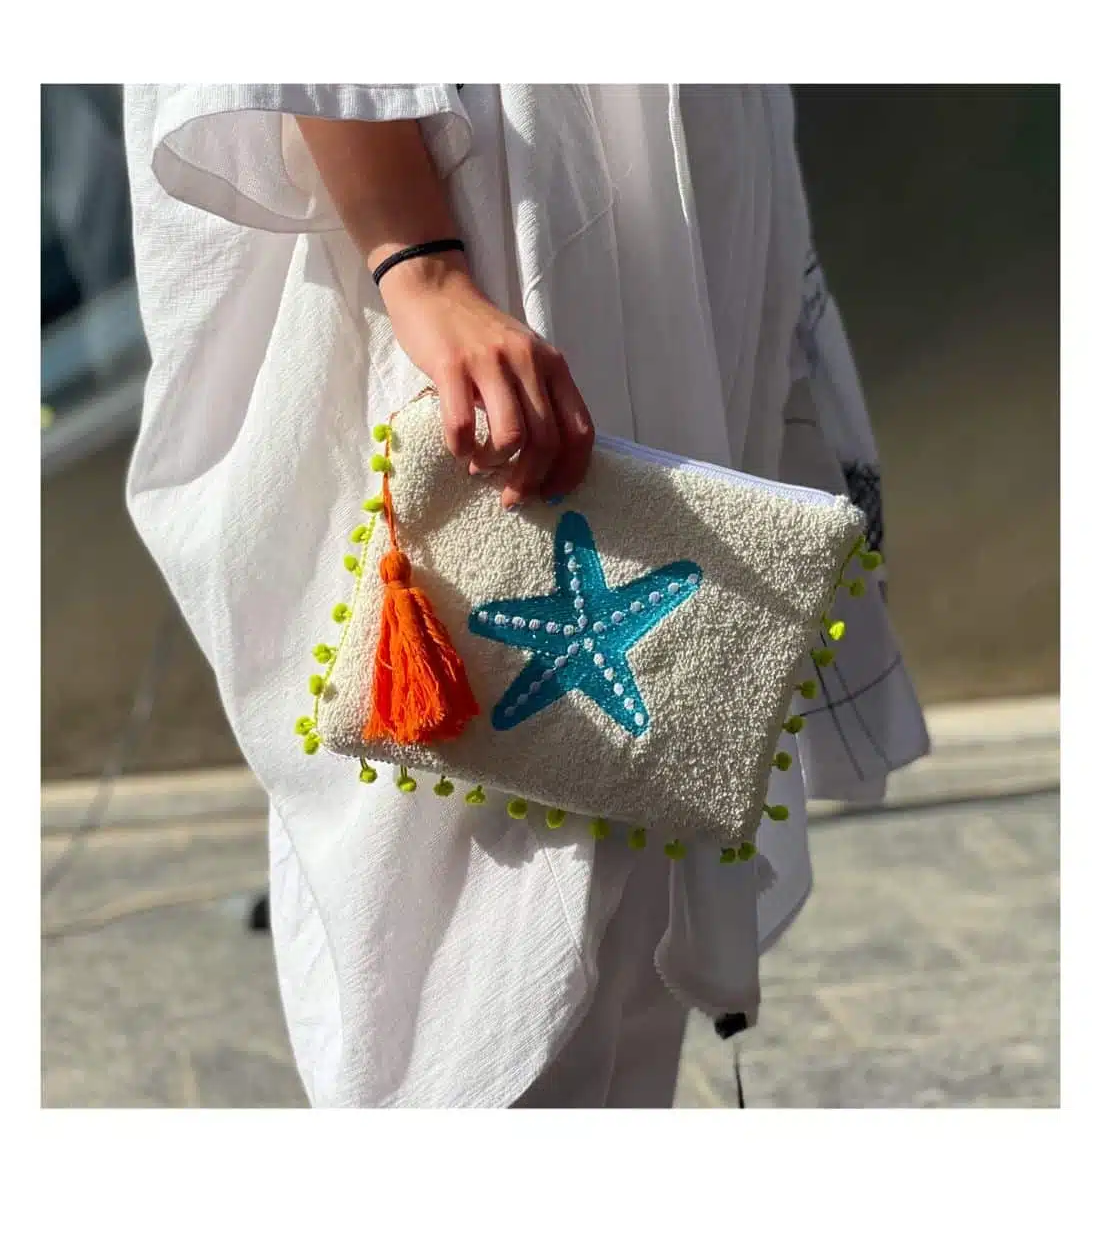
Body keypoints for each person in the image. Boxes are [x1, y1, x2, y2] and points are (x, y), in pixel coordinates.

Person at [123, 84, 928, 1108]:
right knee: (475, 900)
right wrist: (421, 262)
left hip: (678, 187)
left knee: (638, 868)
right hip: (494, 177)